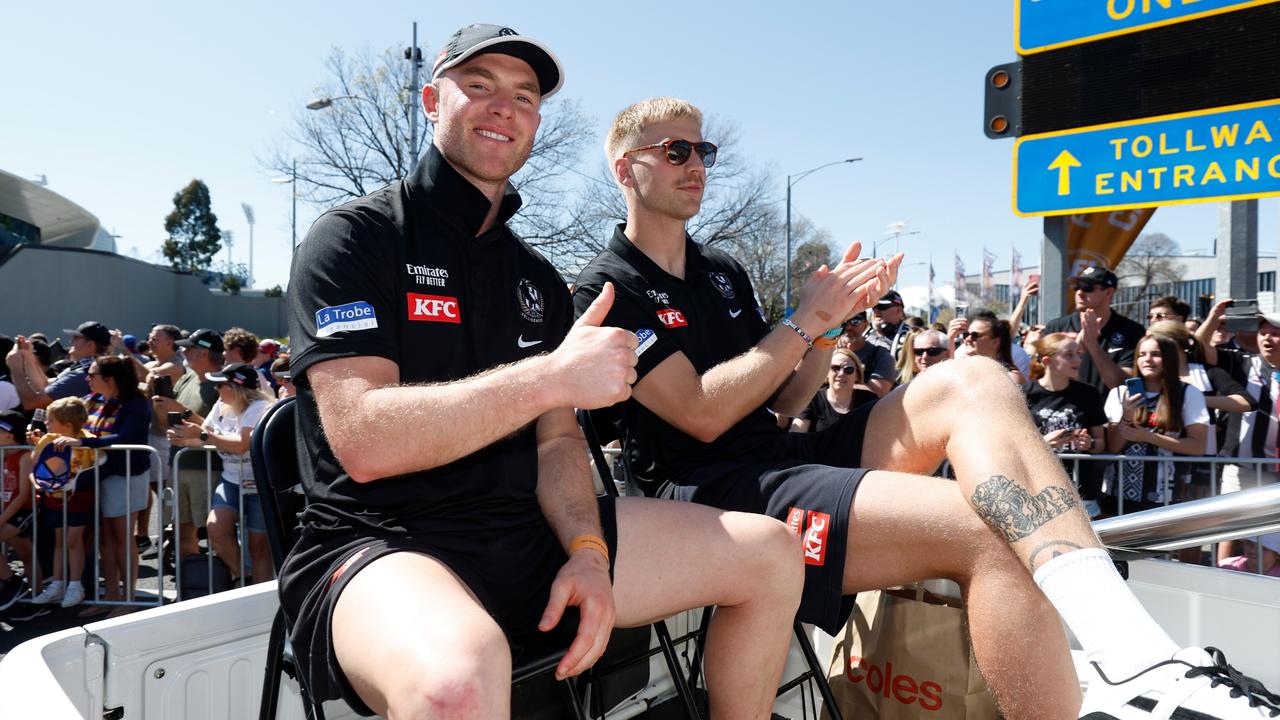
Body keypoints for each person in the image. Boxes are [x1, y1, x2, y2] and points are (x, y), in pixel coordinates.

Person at [572, 95, 1278, 719]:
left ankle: (1133, 650)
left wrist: (823, 328)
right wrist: (800, 324)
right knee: (988, 535)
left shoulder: (721, 270)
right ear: (624, 168)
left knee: (973, 377)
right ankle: (1131, 659)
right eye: (675, 151)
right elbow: (698, 414)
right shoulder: (607, 287)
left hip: (780, 456)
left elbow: (786, 400)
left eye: (704, 150)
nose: (696, 163)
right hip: (709, 494)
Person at [279, 26, 803, 719]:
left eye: (524, 96)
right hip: (381, 543)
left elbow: (557, 445)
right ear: (433, 100)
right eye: (481, 86)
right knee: (457, 680)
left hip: (525, 534)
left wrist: (587, 551)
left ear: (536, 124)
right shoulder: (353, 238)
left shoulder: (537, 279)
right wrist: (550, 379)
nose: (505, 107)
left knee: (770, 552)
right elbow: (365, 441)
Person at [58, 355, 153, 615]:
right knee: (106, 540)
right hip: (102, 476)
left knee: (123, 538)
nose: (87, 379)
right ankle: (111, 595)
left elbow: (127, 437)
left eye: (92, 374)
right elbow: (86, 431)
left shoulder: (136, 403)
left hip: (126, 476)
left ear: (110, 379)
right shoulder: (99, 401)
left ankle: (128, 600)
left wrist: (83, 444)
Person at [169, 363, 273, 585]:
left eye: (221, 385)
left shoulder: (260, 406)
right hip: (232, 480)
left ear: (238, 387)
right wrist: (183, 438)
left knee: (258, 547)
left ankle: (261, 598)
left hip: (259, 484)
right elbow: (203, 436)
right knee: (215, 529)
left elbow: (242, 445)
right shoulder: (221, 405)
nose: (216, 390)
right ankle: (243, 579)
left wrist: (204, 437)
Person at [1103, 332, 1209, 513]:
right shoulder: (1120, 393)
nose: (1148, 360)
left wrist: (1149, 437)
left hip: (1167, 498)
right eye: (1142, 355)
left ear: (1169, 359)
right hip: (1118, 496)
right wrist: (1127, 414)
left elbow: (1198, 446)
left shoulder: (1188, 393)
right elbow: (1113, 446)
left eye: (1156, 354)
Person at [154, 329, 224, 560]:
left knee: (216, 533)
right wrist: (163, 408)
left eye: (188, 348)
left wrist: (181, 411)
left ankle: (220, 587)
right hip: (179, 463)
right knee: (181, 530)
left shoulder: (223, 384)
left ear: (203, 353)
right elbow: (168, 422)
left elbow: (220, 430)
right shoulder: (187, 378)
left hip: (207, 469)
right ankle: (189, 587)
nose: (182, 351)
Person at [1024, 333, 1107, 517]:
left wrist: (1089, 444)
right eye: (1069, 354)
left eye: (1078, 353)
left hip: (1080, 491)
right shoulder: (1025, 394)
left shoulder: (1088, 394)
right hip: (1038, 488)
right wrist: (1044, 443)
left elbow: (1101, 442)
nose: (1077, 359)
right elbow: (1015, 445)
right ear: (1048, 360)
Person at [27, 397, 95, 608]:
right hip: (53, 499)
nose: (46, 424)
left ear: (67, 425)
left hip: (78, 498)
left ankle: (76, 585)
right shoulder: (47, 440)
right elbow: (34, 468)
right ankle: (57, 585)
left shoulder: (88, 440)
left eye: (50, 420)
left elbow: (98, 466)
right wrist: (37, 484)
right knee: (59, 541)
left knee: (74, 540)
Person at [1043, 266, 1145, 396]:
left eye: (1087, 288)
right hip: (1066, 409)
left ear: (1108, 292)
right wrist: (1077, 349)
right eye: (1076, 288)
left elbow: (1124, 384)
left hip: (1110, 414)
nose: (1079, 293)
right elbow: (1043, 374)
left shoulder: (1132, 331)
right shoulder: (1056, 327)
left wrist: (1092, 345)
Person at [5, 322, 112, 411]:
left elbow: (32, 403)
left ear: (90, 345)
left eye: (76, 337)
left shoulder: (84, 373)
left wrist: (15, 368)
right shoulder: (81, 367)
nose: (71, 341)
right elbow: (45, 384)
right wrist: (28, 356)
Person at [790, 348, 875, 433]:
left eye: (848, 369)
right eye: (835, 368)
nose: (841, 373)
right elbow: (796, 434)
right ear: (826, 373)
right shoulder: (812, 399)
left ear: (857, 375)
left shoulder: (869, 402)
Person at [0, 410, 34, 610]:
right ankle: (20, 592)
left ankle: (15, 585)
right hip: (8, 510)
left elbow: (22, 495)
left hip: (23, 509)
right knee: (26, 554)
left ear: (9, 434)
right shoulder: (4, 454)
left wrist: (2, 519)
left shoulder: (24, 456)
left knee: (28, 555)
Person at [837, 313, 895, 396]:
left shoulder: (881, 356)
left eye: (855, 321)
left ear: (865, 325)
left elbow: (877, 392)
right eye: (843, 323)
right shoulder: (825, 353)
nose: (848, 327)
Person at [865, 289, 911, 360]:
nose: (876, 310)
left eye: (882, 307)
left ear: (899, 311)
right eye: (874, 306)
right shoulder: (861, 330)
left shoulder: (911, 337)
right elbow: (842, 329)